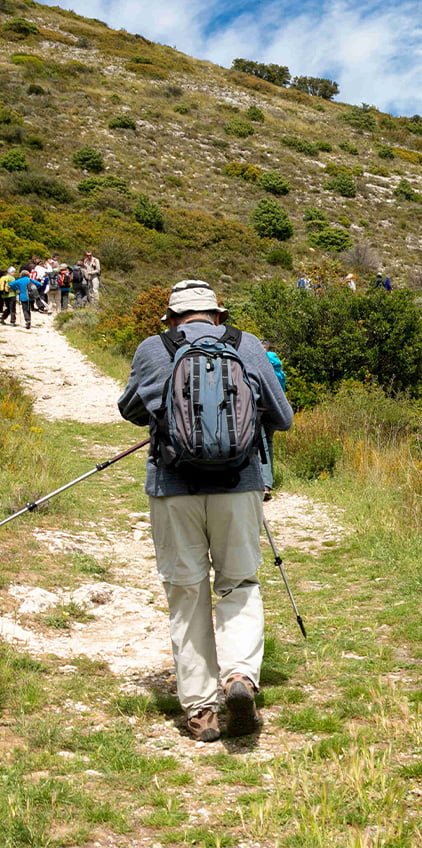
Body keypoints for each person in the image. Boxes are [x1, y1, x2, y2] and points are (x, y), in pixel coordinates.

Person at [118, 280, 293, 743]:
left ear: (173, 318)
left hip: (174, 488)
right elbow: (282, 416)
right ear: (218, 315)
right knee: (239, 582)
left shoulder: (153, 348)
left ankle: (200, 710)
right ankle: (239, 678)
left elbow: (130, 410)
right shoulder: (246, 345)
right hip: (239, 487)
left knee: (186, 589)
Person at [259, 340, 287, 502]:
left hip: (260, 406)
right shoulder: (277, 365)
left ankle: (263, 485)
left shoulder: (256, 360)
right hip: (274, 407)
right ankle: (267, 483)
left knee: (259, 444)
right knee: (267, 442)